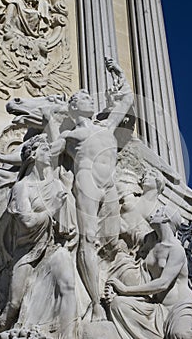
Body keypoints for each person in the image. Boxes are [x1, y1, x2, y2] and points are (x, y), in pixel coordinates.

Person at [57, 58, 134, 321]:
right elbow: (45, 153)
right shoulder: (70, 136)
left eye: (90, 98)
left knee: (112, 241)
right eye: (83, 98)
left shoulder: (106, 126)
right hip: (87, 183)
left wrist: (119, 73)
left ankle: (117, 292)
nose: (90, 100)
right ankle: (94, 302)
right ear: (73, 108)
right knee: (87, 238)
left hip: (109, 184)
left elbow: (126, 100)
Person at [0, 135, 77, 338]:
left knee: (67, 284)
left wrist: (68, 195)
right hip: (25, 254)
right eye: (45, 149)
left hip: (51, 248)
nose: (49, 153)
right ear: (33, 154)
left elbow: (67, 227)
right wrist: (54, 208)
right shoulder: (21, 187)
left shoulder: (56, 185)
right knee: (14, 304)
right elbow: (28, 222)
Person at [106, 206, 192, 339]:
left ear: (166, 218)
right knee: (118, 305)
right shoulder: (150, 241)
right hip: (158, 307)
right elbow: (128, 231)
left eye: (158, 212)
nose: (153, 214)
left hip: (180, 307)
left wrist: (126, 290)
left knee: (180, 334)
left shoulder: (176, 250)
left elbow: (163, 283)